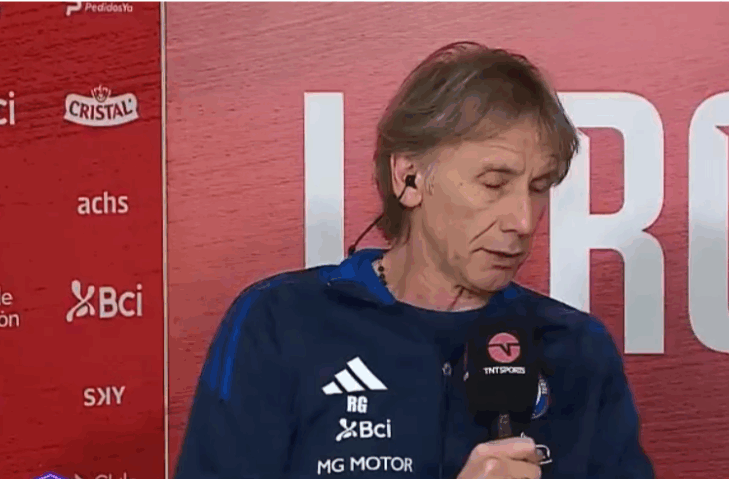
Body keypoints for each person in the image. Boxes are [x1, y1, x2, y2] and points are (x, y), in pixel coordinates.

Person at [174, 41, 655, 479]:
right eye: (494, 184)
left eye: (538, 187)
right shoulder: (280, 322)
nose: (524, 221)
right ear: (408, 178)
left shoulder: (577, 350)